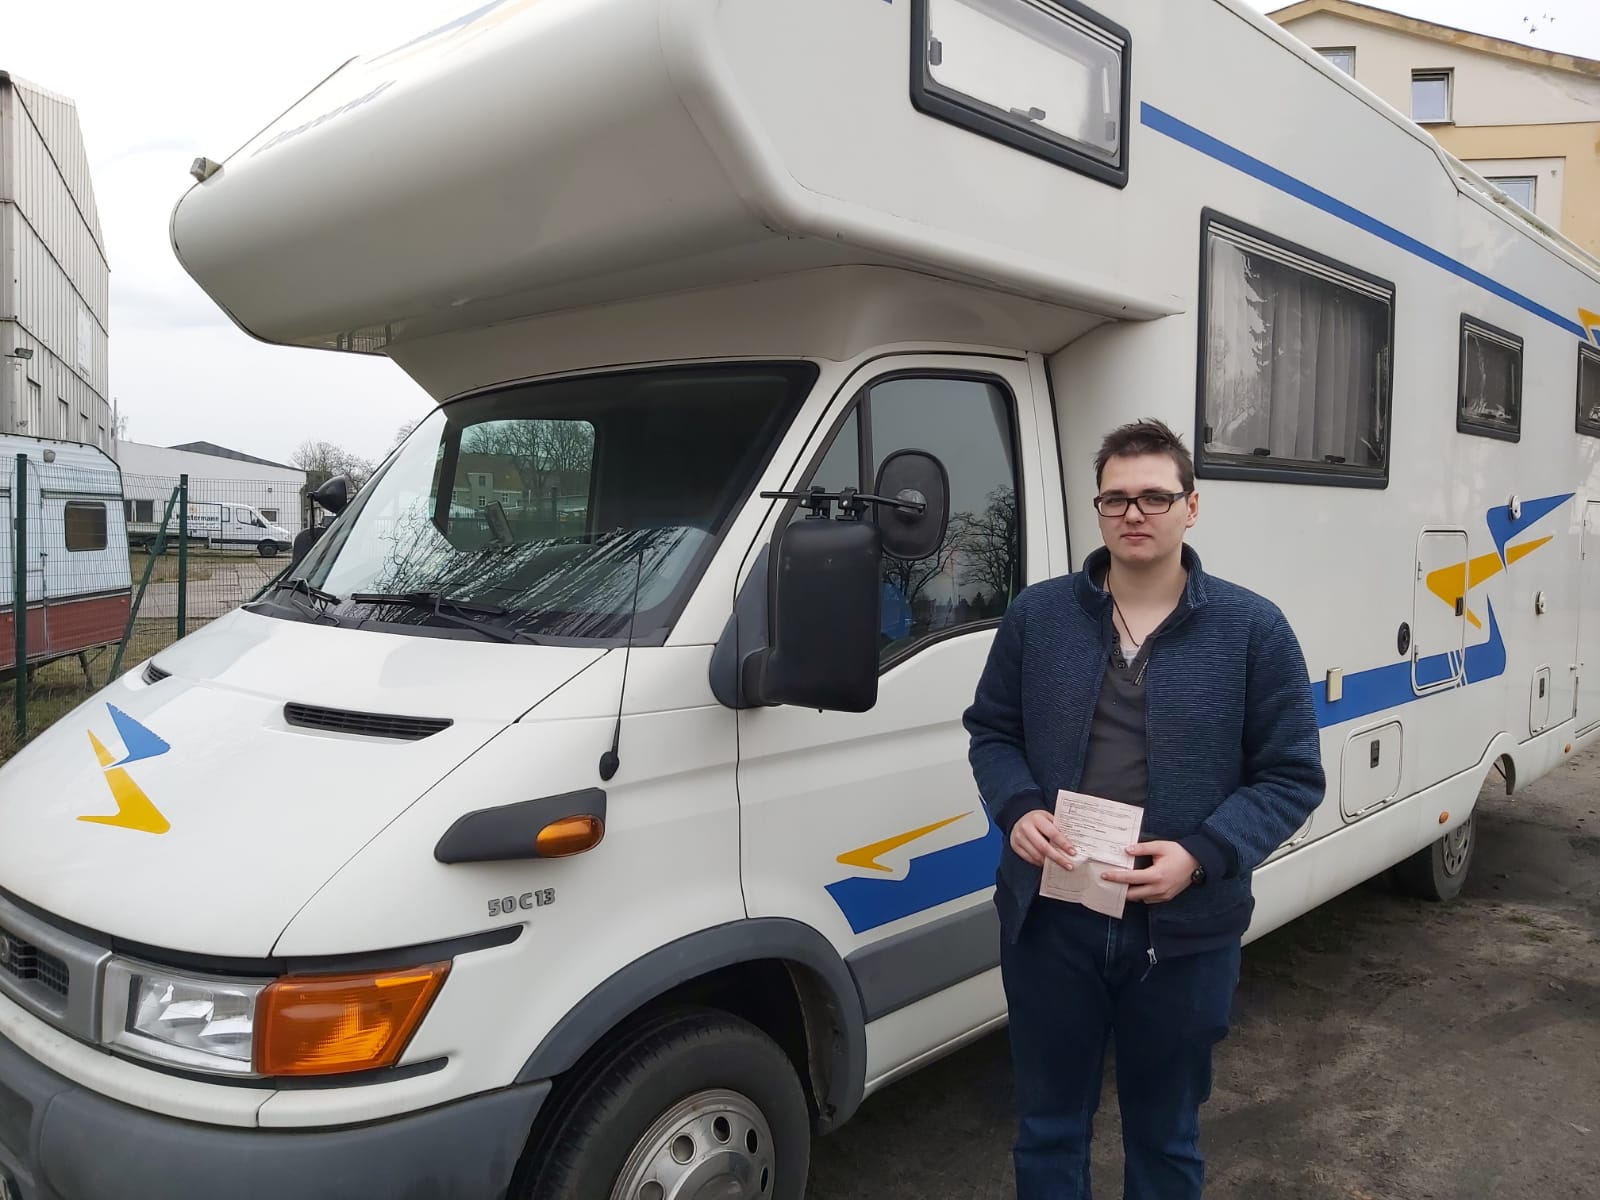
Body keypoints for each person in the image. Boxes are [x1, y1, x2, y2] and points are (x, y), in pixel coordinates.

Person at [963, 418, 1324, 1200]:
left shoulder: (1252, 629)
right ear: (1098, 509)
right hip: (1050, 921)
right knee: (1048, 1129)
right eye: (1116, 498)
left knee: (1165, 1138)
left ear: (1191, 506)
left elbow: (1292, 775)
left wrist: (1201, 854)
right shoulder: (1039, 617)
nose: (1134, 513)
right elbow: (992, 731)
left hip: (1183, 936)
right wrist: (1017, 807)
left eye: (1155, 497)